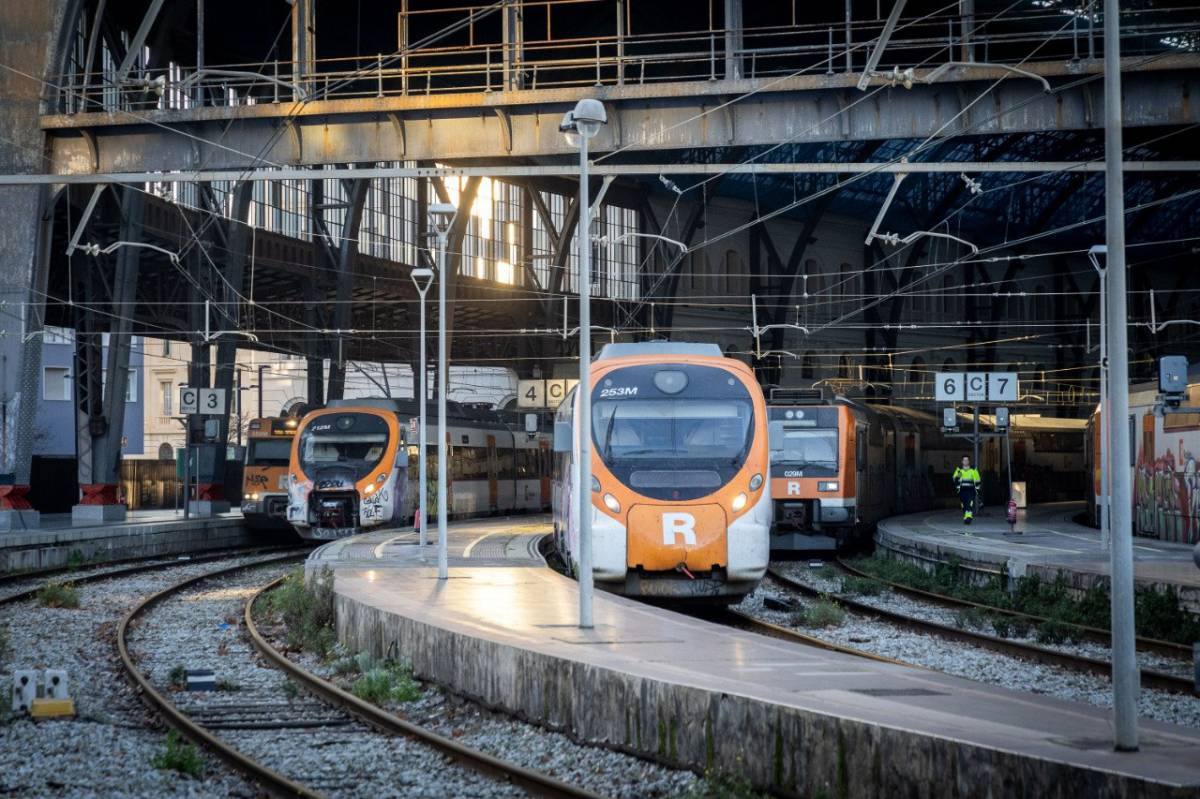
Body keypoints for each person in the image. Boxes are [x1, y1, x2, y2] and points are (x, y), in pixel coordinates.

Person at [953, 455, 982, 525]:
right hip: (962, 490)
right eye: (964, 460)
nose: (965, 461)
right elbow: (954, 479)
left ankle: (968, 518)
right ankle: (966, 516)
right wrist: (958, 476)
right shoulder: (959, 469)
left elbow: (978, 480)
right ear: (962, 461)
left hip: (970, 490)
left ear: (969, 461)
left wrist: (978, 490)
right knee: (964, 504)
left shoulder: (973, 470)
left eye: (967, 460)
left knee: (969, 503)